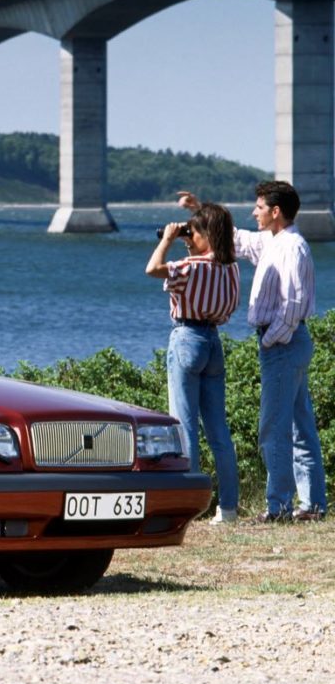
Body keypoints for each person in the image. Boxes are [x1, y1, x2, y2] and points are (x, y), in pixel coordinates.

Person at [180, 182, 327, 522]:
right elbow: (235, 238)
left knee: (272, 427)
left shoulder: (292, 246)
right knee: (300, 425)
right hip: (289, 343)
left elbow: (292, 303)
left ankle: (278, 507)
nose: (254, 212)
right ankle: (313, 505)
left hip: (284, 344)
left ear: (276, 212)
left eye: (259, 207)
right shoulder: (272, 241)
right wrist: (198, 210)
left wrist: (270, 339)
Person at [146, 203, 241, 523]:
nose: (190, 237)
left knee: (184, 426)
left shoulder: (190, 267)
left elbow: (153, 268)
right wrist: (188, 236)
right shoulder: (232, 268)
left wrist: (168, 238)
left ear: (207, 234)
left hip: (187, 337)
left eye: (193, 233)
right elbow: (230, 308)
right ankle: (227, 508)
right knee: (218, 431)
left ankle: (189, 507)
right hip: (214, 341)